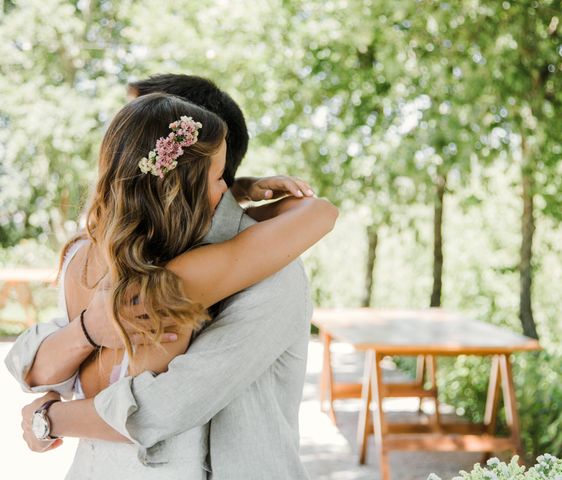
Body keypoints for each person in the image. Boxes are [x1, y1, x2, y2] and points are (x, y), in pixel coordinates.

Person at [7, 83, 337, 479]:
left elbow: (162, 406)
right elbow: (39, 361)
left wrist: (51, 418)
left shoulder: (267, 275)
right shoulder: (97, 256)